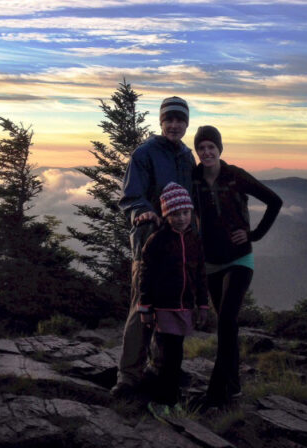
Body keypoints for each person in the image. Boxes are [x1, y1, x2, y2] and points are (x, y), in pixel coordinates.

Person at [192, 126, 283, 409]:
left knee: (228, 321)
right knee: (226, 326)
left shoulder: (235, 175)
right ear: (197, 152)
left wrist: (253, 234)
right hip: (210, 263)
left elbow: (274, 201)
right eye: (202, 148)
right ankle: (234, 388)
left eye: (211, 147)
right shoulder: (192, 179)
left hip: (239, 258)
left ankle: (215, 392)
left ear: (220, 149)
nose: (207, 152)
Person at [111, 96, 196, 398]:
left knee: (170, 308)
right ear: (161, 122)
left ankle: (161, 369)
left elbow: (190, 201)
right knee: (141, 308)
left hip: (179, 248)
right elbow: (131, 196)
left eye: (180, 120)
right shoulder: (144, 153)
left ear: (186, 123)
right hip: (148, 244)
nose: (174, 125)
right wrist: (142, 212)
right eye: (169, 120)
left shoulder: (186, 155)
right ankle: (128, 377)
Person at [138, 182, 209, 413]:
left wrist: (203, 304)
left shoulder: (194, 241)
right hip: (163, 307)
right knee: (167, 354)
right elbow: (145, 276)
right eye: (175, 214)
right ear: (166, 215)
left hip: (184, 307)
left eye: (185, 212)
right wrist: (145, 307)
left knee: (175, 354)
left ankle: (169, 398)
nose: (181, 218)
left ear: (191, 212)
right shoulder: (157, 241)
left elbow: (199, 275)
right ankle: (162, 401)